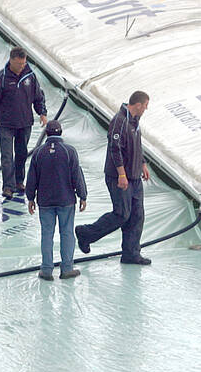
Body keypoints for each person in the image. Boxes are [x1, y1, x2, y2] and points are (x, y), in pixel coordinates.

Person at [76, 91, 153, 266]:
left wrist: (142, 163)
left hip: (134, 177)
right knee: (121, 214)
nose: (146, 110)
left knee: (136, 215)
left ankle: (131, 253)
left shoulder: (135, 121)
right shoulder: (119, 122)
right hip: (120, 177)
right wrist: (122, 174)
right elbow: (115, 149)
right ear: (138, 105)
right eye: (145, 106)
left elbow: (137, 145)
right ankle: (86, 233)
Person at [26, 119, 87, 281]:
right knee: (66, 233)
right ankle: (66, 269)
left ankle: (46, 270)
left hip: (45, 201)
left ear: (46, 134)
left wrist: (30, 198)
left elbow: (31, 178)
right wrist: (83, 195)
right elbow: (77, 176)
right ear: (61, 133)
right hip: (66, 199)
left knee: (47, 234)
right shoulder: (70, 151)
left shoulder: (38, 153)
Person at [0, 46, 47, 199]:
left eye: (24, 64)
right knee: (7, 156)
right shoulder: (1, 78)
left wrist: (42, 113)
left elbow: (38, 96)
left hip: (25, 123)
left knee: (21, 154)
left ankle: (19, 181)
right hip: (5, 124)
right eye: (19, 64)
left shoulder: (30, 77)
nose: (21, 67)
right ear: (11, 61)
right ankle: (8, 187)